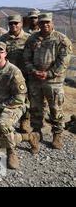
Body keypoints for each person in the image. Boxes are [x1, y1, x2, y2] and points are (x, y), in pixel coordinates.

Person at [0, 42, 39, 169]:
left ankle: (12, 153)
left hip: (14, 106)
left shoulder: (13, 71)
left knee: (2, 125)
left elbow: (20, 97)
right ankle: (29, 137)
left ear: (5, 54)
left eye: (0, 52)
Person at [23, 13, 73, 151]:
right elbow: (26, 58)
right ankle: (36, 134)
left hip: (53, 82)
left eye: (47, 22)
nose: (45, 25)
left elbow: (63, 61)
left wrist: (49, 73)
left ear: (52, 23)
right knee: (35, 108)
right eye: (42, 22)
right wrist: (33, 71)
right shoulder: (32, 39)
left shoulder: (61, 39)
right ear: (38, 24)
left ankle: (57, 135)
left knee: (55, 109)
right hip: (35, 80)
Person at [0, 14, 32, 133]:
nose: (13, 25)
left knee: (25, 98)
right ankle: (6, 119)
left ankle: (25, 120)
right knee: (8, 97)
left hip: (24, 74)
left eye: (16, 23)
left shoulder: (29, 38)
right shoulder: (3, 39)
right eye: (11, 23)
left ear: (21, 24)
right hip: (7, 76)